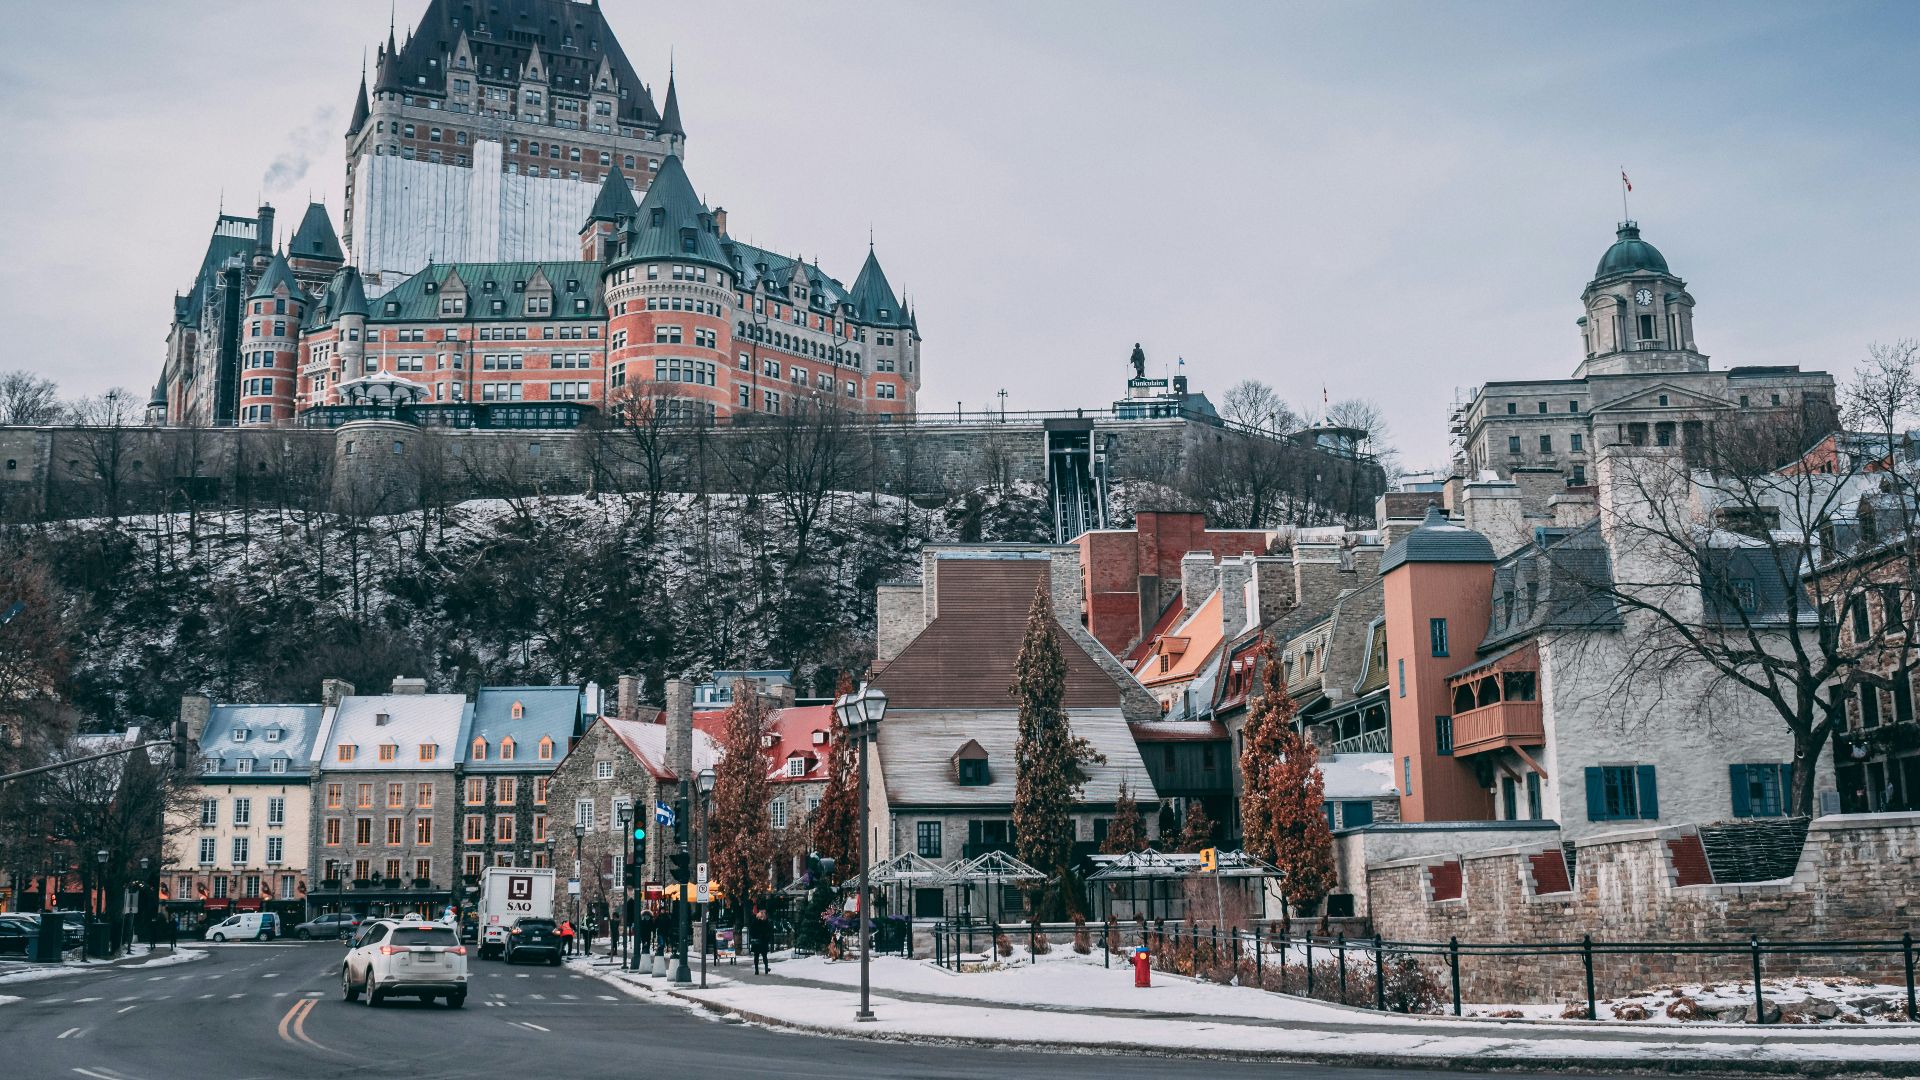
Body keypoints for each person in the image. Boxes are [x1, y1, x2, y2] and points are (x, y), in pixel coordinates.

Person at [749, 906, 772, 975]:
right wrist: (767, 938)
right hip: (763, 941)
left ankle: (756, 970)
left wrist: (753, 937)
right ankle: (766, 968)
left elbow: (751, 931)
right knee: (764, 956)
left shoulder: (755, 922)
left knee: (756, 956)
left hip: (756, 942)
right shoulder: (766, 922)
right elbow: (769, 931)